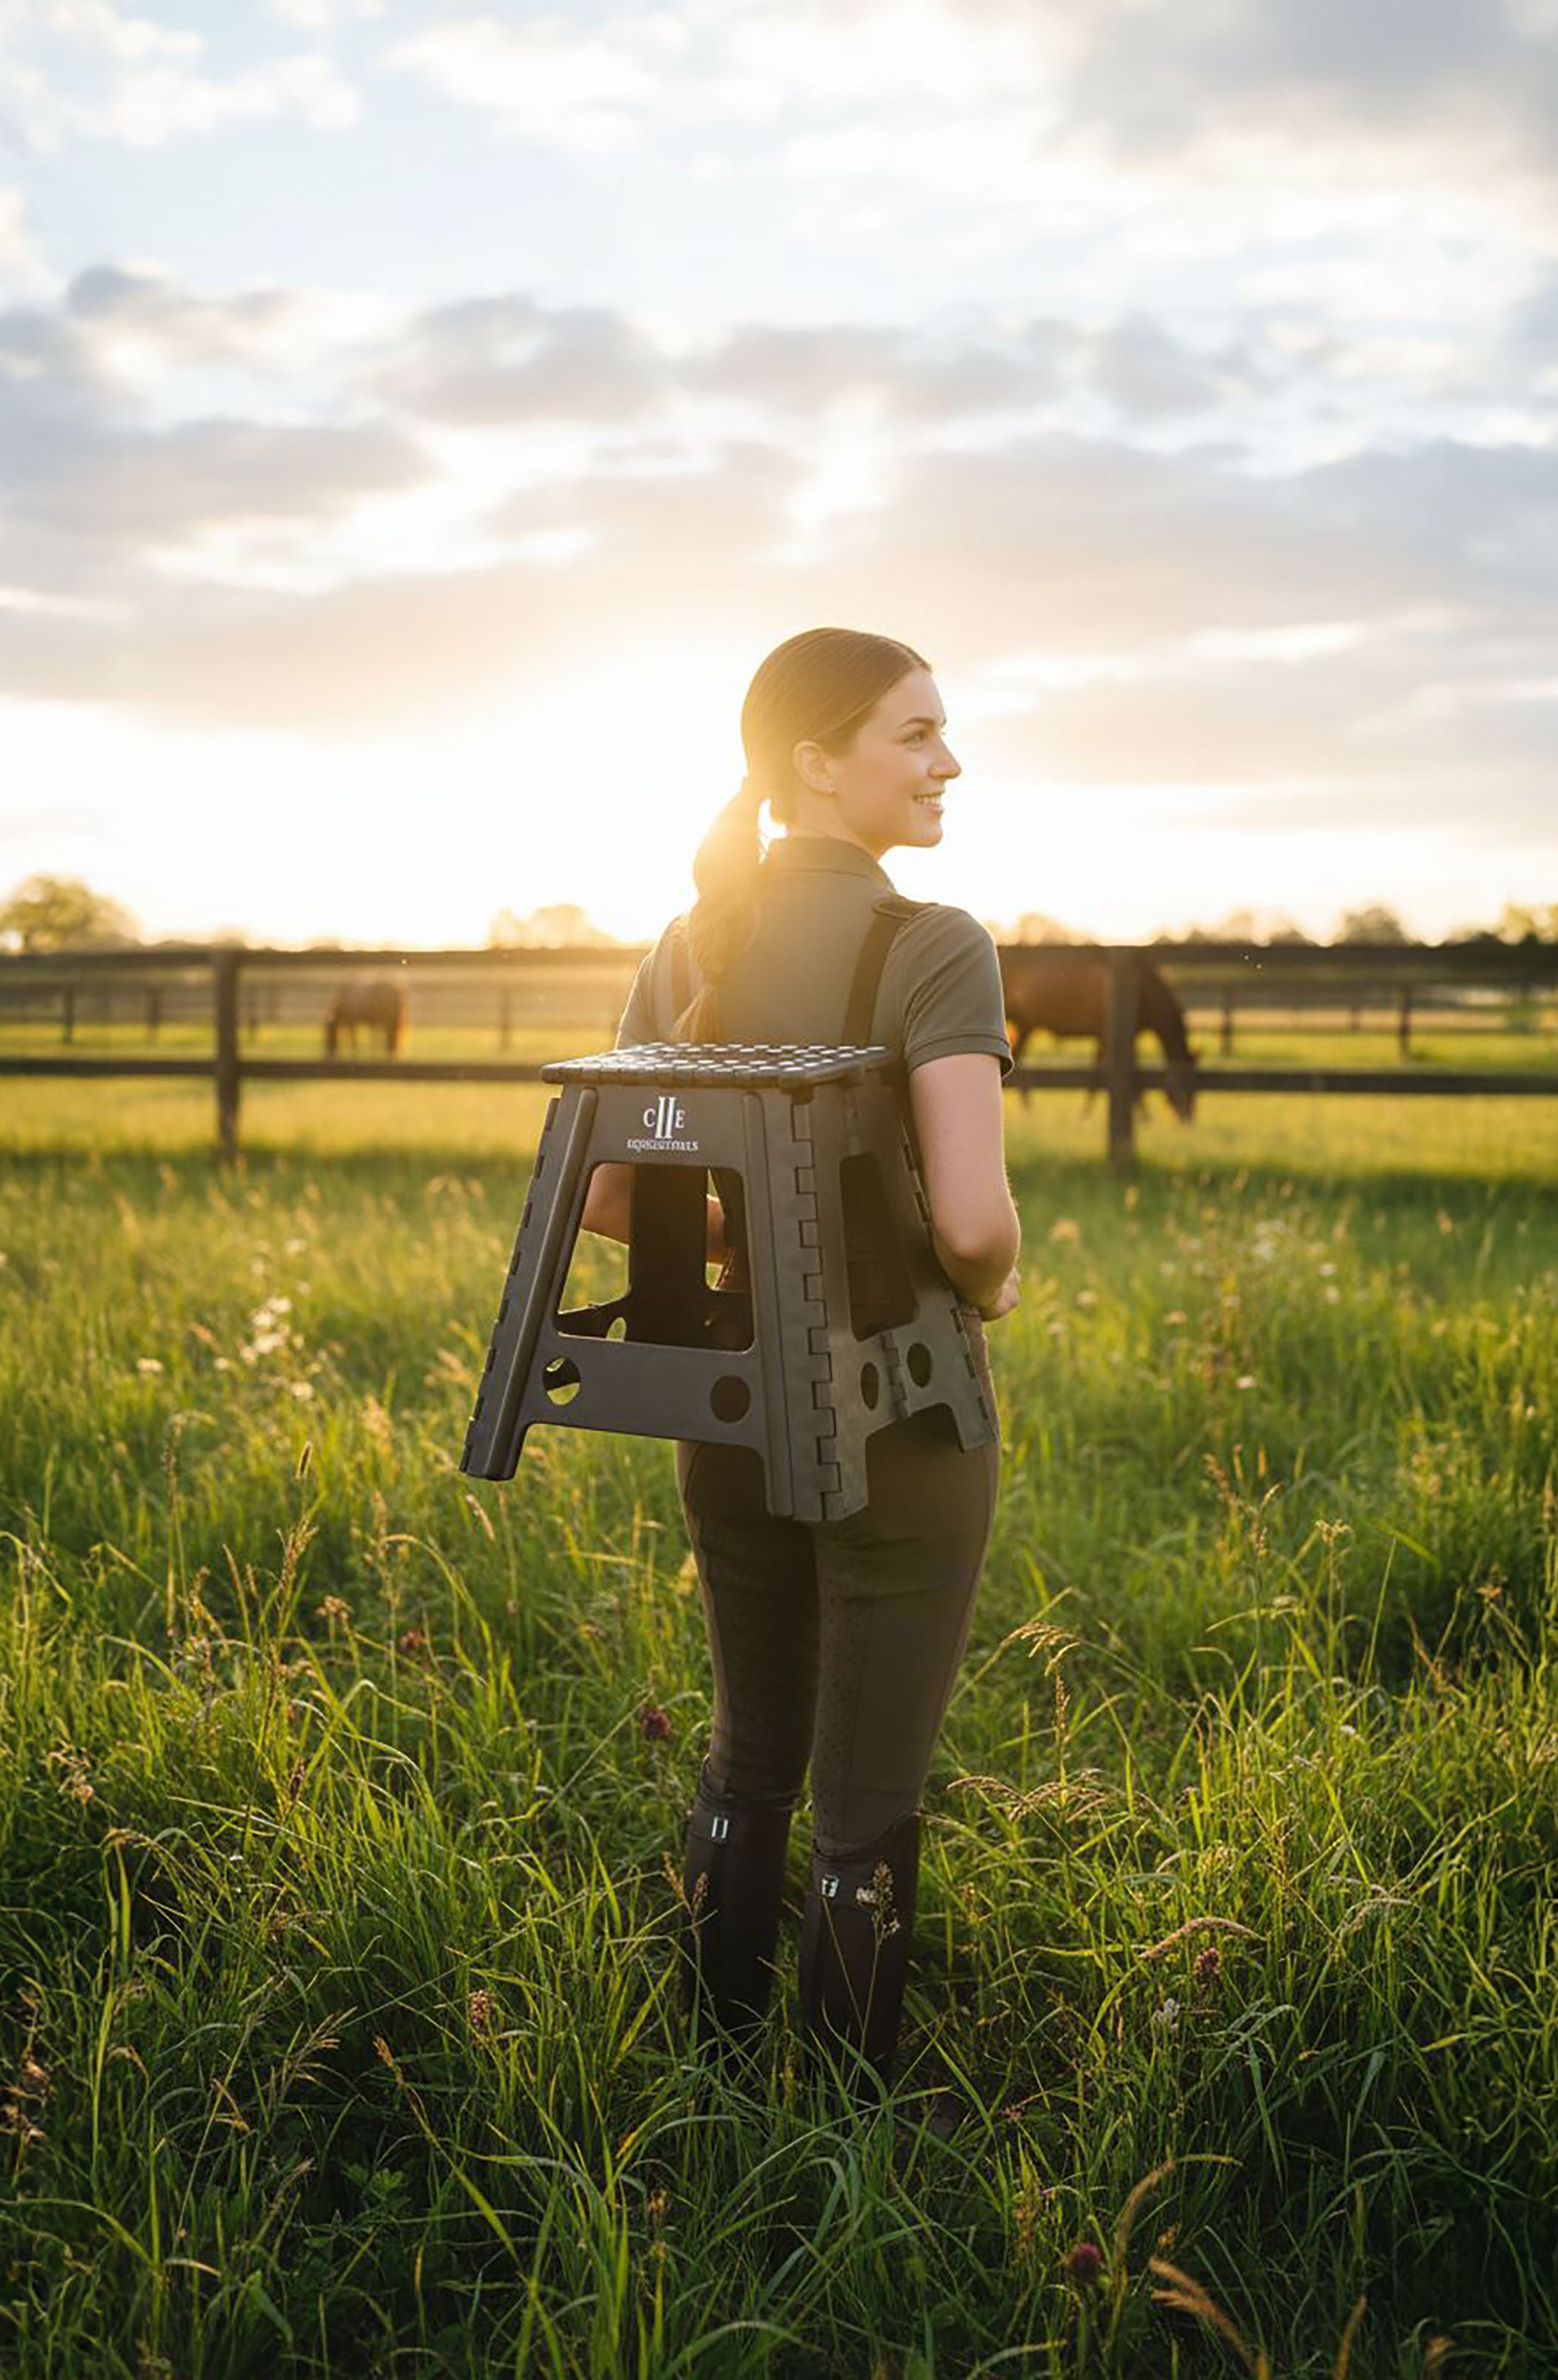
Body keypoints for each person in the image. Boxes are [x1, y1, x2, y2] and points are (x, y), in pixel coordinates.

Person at [583, 626, 1023, 2101]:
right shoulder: (931, 945)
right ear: (817, 764)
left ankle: (713, 2067)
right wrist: (1000, 1281)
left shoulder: (690, 943)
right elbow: (969, 1217)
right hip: (900, 1416)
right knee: (867, 1793)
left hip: (732, 1400)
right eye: (916, 733)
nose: (946, 759)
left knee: (748, 1753)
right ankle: (840, 2112)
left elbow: (603, 1197)